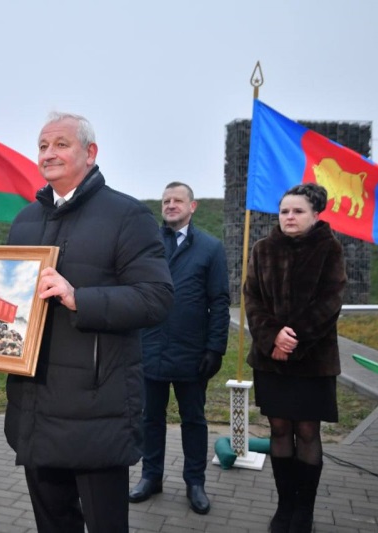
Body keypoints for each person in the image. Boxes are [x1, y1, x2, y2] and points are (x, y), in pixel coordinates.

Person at [4, 112, 174, 533]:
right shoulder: (25, 220)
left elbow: (156, 298)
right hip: (33, 404)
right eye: (43, 146)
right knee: (53, 523)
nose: (48, 153)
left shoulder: (127, 215)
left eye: (61, 144)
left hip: (96, 408)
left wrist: (78, 297)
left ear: (90, 152)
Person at [243, 183, 346, 533]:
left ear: (315, 214)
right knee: (279, 428)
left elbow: (330, 301)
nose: (289, 216)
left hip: (313, 360)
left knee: (307, 430)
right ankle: (284, 506)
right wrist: (272, 336)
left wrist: (293, 340)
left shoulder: (329, 249)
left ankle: (304, 510)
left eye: (298, 211)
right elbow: (252, 299)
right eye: (284, 211)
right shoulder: (262, 248)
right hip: (270, 359)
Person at [129, 182, 230, 514]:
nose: (171, 205)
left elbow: (219, 301)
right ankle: (151, 476)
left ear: (192, 206)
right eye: (166, 201)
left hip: (192, 353)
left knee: (194, 420)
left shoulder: (210, 248)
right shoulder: (148, 245)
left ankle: (195, 482)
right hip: (150, 347)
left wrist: (215, 349)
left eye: (177, 200)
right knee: (150, 418)